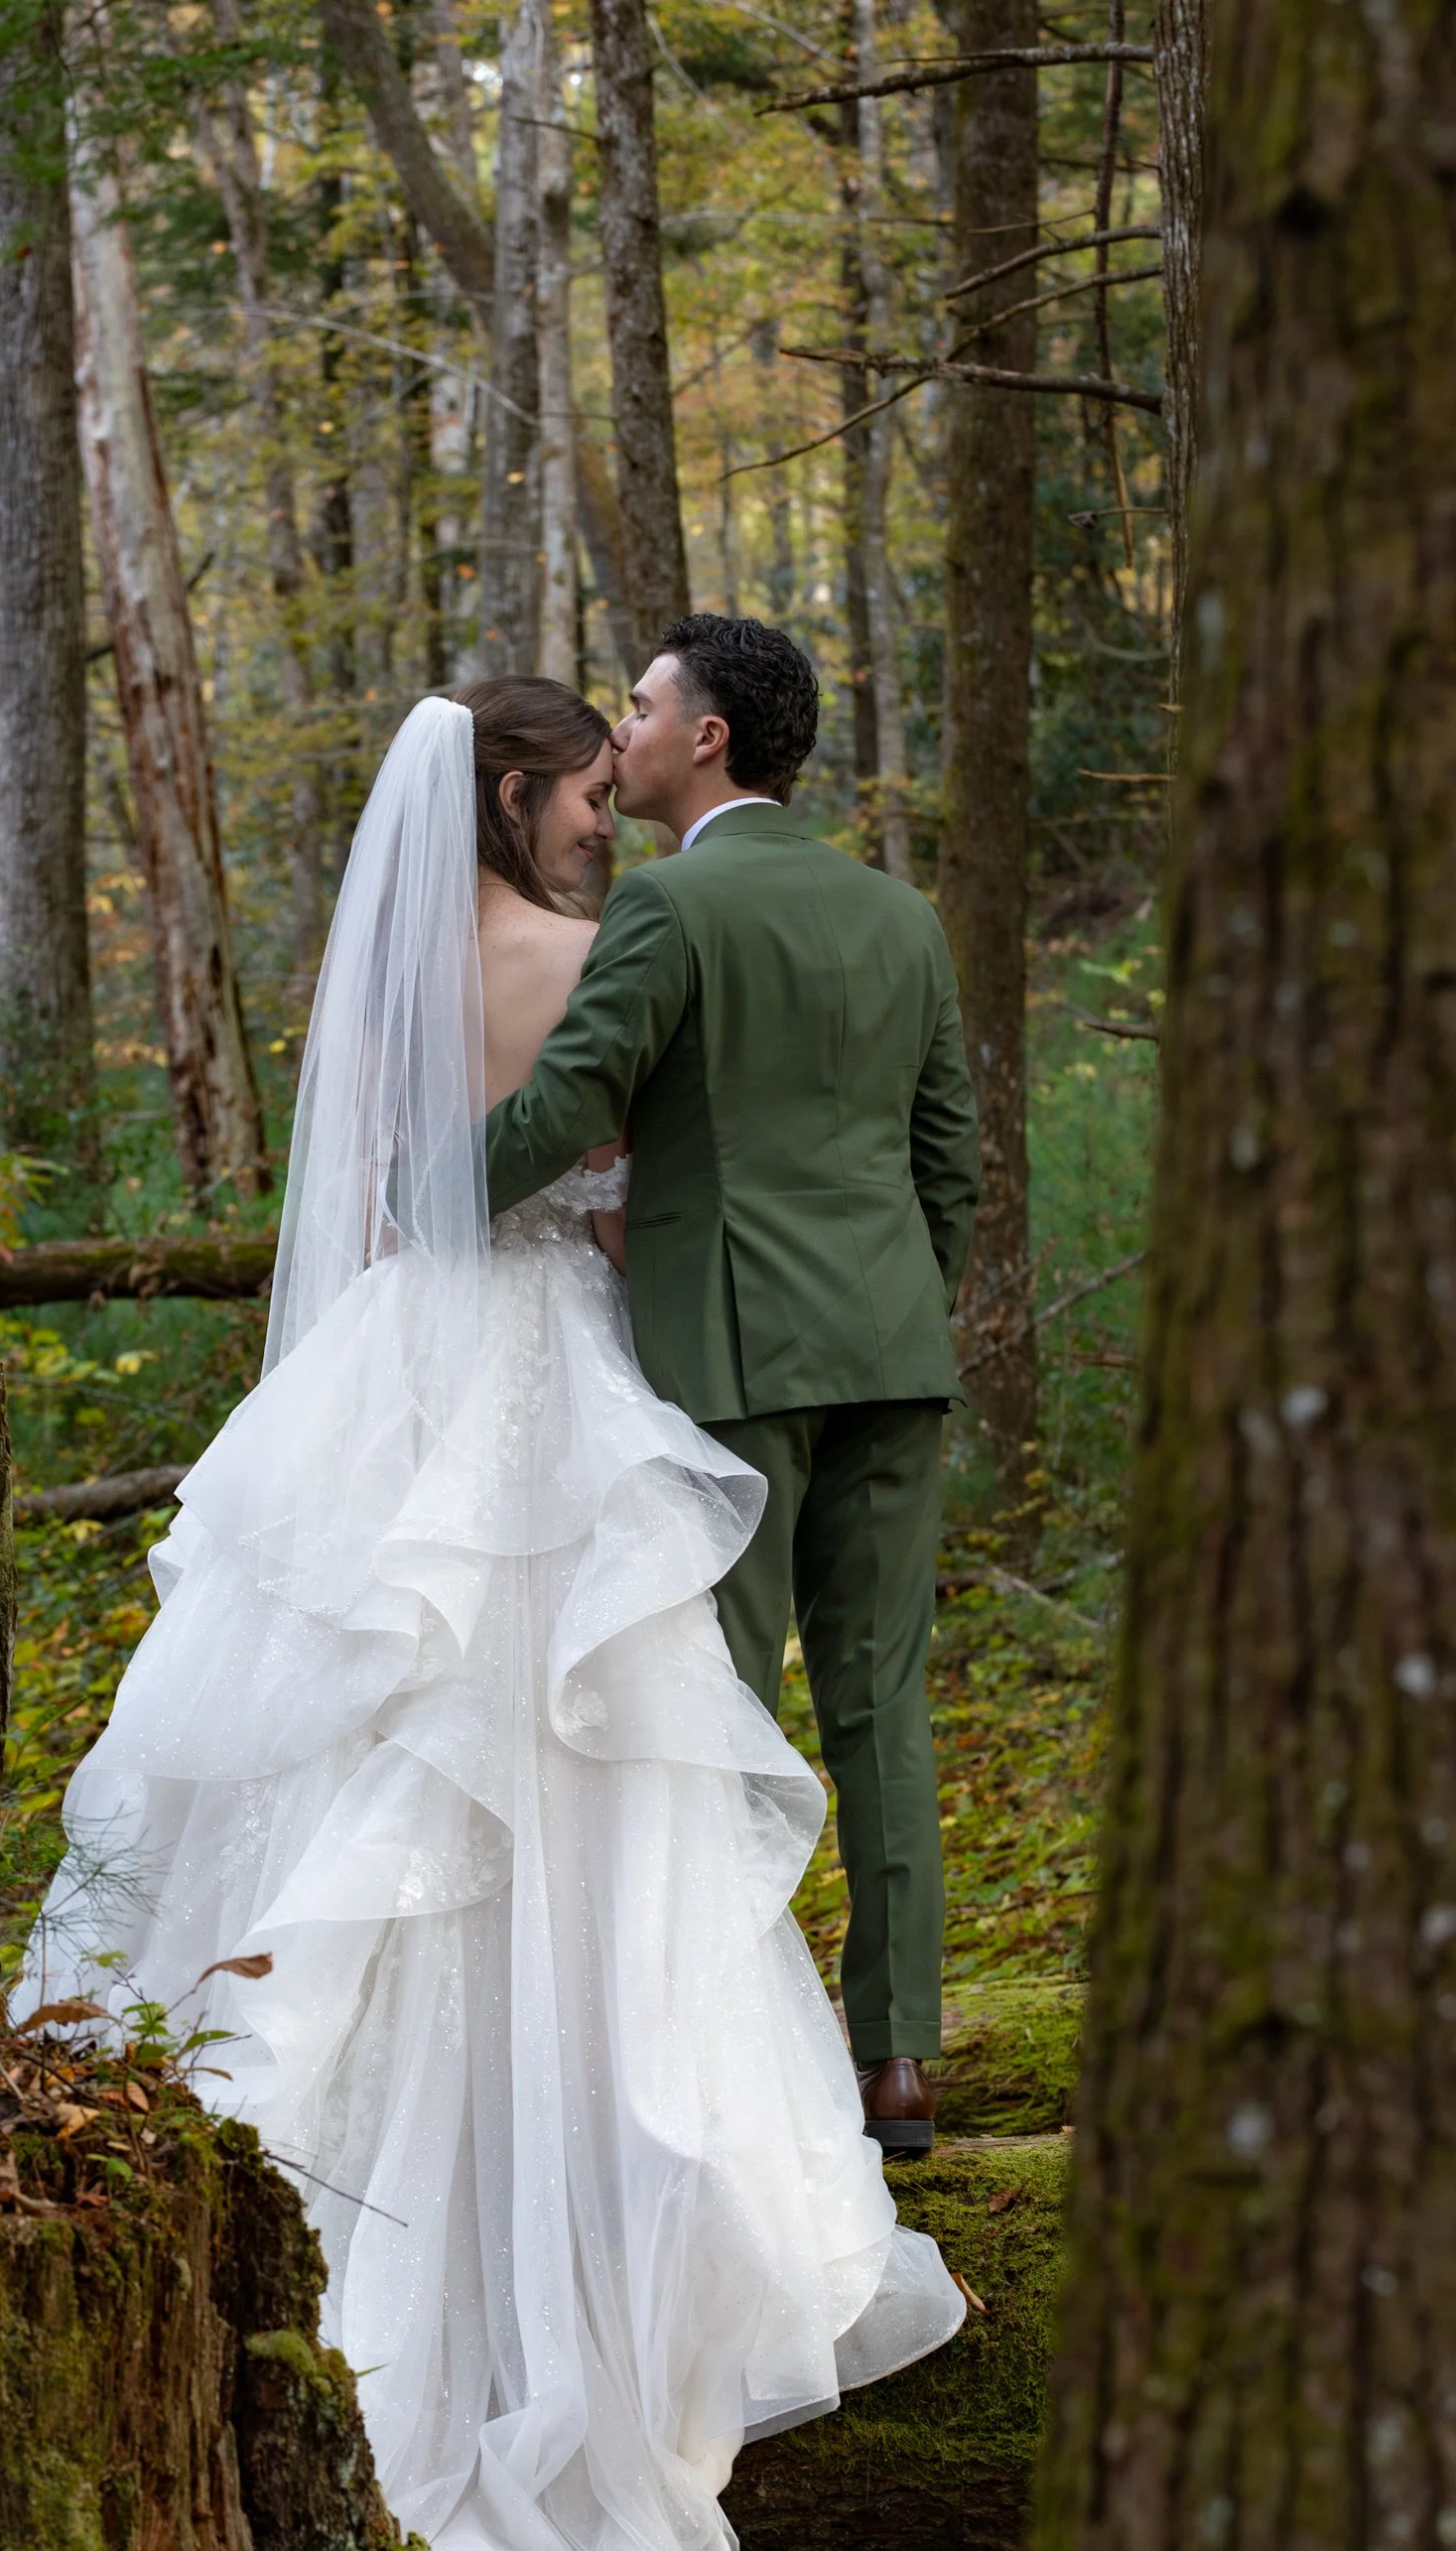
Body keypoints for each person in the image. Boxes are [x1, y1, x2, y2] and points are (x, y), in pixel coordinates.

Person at [25, 676, 962, 2551]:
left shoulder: (384, 983)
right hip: (547, 1372)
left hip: (396, 1373)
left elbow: (401, 1192)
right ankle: (629, 2197)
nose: (604, 817)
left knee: (366, 1737)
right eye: (581, 791)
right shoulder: (596, 952)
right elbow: (606, 1172)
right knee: (584, 1756)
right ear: (514, 793)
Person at [485, 618, 981, 2156]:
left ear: (706, 738)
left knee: (719, 1709)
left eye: (640, 708)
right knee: (880, 1701)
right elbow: (948, 1158)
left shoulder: (668, 907)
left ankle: (727, 2057)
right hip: (892, 1354)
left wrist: (422, 1188)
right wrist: (900, 1309)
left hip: (734, 1354)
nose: (620, 733)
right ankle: (897, 2059)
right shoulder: (900, 915)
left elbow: (573, 1100)